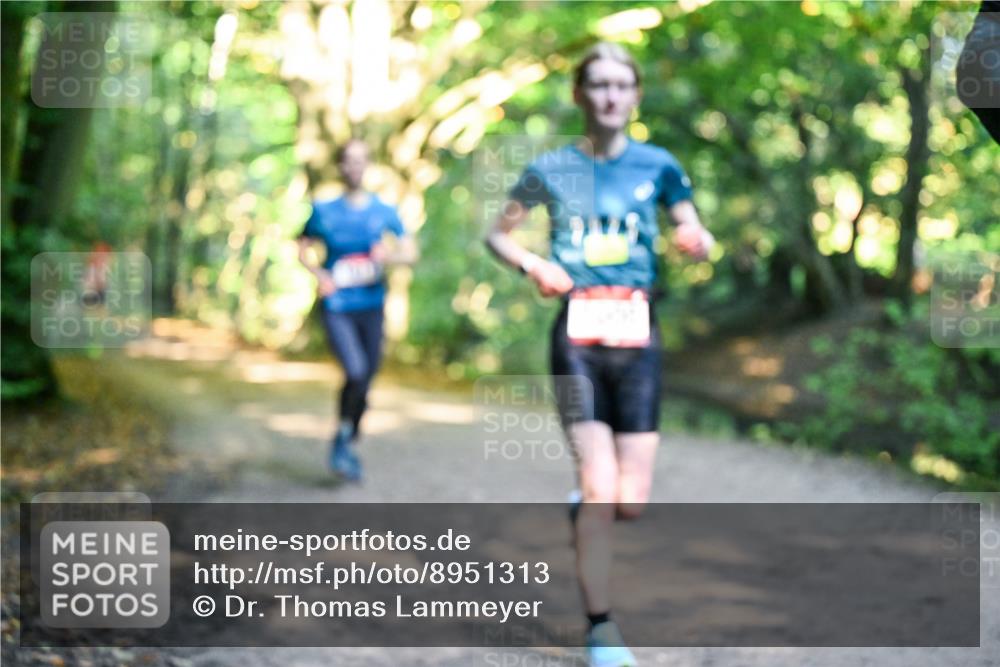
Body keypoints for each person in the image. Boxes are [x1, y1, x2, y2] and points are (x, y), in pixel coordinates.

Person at [485, 42, 713, 667]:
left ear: (635, 96)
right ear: (580, 95)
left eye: (622, 85)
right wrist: (534, 263)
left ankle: (591, 502)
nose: (612, 96)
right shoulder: (551, 167)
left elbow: (696, 230)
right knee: (599, 487)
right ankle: (601, 627)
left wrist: (697, 239)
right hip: (577, 338)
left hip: (639, 335)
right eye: (599, 85)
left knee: (629, 502)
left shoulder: (660, 165)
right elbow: (496, 232)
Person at [298, 139, 417, 481]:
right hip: (337, 306)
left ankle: (347, 433)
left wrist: (389, 256)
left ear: (369, 166)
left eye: (361, 161)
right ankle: (342, 438)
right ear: (339, 166)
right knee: (355, 370)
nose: (355, 167)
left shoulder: (383, 211)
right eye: (348, 161)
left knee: (367, 378)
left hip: (372, 306)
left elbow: (410, 251)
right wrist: (319, 274)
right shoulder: (323, 211)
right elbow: (302, 248)